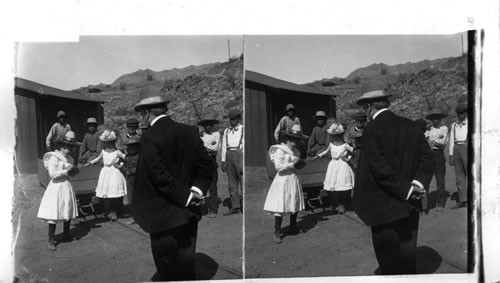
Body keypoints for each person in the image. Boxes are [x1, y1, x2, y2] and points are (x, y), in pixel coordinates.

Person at [130, 86, 213, 281]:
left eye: (142, 115)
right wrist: (195, 191)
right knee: (186, 267)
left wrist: (186, 197)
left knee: (168, 271)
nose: (142, 119)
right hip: (189, 215)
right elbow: (207, 166)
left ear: (147, 113)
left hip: (163, 218)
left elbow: (160, 177)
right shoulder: (189, 131)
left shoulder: (149, 137)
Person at [352, 87, 434, 275]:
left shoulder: (371, 129)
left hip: (384, 208)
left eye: (365, 109)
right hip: (411, 205)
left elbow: (380, 170)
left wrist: (406, 189)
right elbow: (427, 159)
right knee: (408, 257)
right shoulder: (411, 125)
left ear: (369, 107)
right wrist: (417, 185)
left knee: (389, 264)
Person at [264, 124, 306, 243]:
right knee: (281, 203)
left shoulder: (296, 151)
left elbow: (296, 166)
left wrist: (299, 165)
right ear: (288, 139)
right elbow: (278, 167)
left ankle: (293, 226)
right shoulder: (280, 150)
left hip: (293, 178)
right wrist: (292, 165)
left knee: (294, 200)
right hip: (282, 179)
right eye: (293, 140)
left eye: (297, 140)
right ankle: (277, 230)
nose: (295, 142)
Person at [37, 131, 79, 251]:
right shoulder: (53, 157)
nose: (70, 149)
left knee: (67, 208)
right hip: (56, 186)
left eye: (72, 146)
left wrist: (72, 172)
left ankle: (66, 233)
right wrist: (66, 172)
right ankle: (51, 238)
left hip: (66, 185)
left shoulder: (70, 158)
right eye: (68, 146)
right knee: (55, 211)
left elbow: (70, 173)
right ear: (61, 146)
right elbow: (52, 174)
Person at [83, 130, 127, 222]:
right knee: (108, 193)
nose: (108, 145)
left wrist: (120, 165)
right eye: (106, 143)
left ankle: (116, 211)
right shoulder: (104, 151)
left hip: (115, 173)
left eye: (110, 143)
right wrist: (90, 162)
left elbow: (126, 158)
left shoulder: (117, 152)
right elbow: (98, 158)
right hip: (106, 173)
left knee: (115, 192)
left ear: (113, 142)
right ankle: (111, 211)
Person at [312, 123, 355, 214]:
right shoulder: (332, 144)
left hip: (343, 166)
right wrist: (318, 156)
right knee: (335, 186)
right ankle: (337, 203)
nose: (334, 137)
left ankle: (343, 204)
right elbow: (326, 151)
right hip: (333, 166)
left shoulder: (344, 145)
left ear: (340, 136)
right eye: (333, 136)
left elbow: (354, 151)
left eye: (336, 136)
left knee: (342, 186)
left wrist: (348, 159)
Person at [424, 108, 449, 211]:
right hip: (429, 155)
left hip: (438, 154)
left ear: (441, 119)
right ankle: (425, 204)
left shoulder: (444, 128)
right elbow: (424, 139)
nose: (436, 121)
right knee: (426, 179)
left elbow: (442, 142)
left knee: (440, 179)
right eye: (434, 119)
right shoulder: (428, 130)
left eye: (438, 118)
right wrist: (432, 140)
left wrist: (430, 140)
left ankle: (440, 202)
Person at [198, 114, 222, 218]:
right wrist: (207, 148)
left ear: (212, 126)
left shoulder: (216, 135)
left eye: (209, 125)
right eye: (205, 125)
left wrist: (204, 148)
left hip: (211, 161)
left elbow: (215, 149)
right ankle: (201, 209)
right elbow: (198, 148)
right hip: (202, 162)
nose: (208, 127)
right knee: (200, 187)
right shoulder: (201, 136)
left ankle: (213, 209)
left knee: (213, 186)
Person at [221, 109, 244, 216]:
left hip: (239, 154)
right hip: (229, 154)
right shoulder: (226, 131)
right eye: (231, 120)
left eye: (234, 119)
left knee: (242, 180)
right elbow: (224, 146)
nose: (232, 122)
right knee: (232, 183)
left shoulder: (243, 130)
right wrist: (223, 161)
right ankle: (235, 206)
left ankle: (244, 206)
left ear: (238, 119)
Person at [449, 103, 468, 209]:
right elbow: (451, 140)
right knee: (459, 176)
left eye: (461, 114)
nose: (459, 116)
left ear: (466, 113)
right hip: (457, 148)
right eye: (458, 114)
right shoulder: (454, 125)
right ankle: (462, 199)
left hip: (466, 147)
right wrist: (451, 155)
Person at [122, 135, 140, 224]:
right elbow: (124, 165)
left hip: (139, 180)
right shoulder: (127, 156)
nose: (132, 148)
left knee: (140, 199)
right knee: (131, 199)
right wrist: (126, 170)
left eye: (134, 146)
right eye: (130, 146)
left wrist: (133, 171)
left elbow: (143, 167)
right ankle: (134, 217)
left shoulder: (140, 156)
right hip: (129, 180)